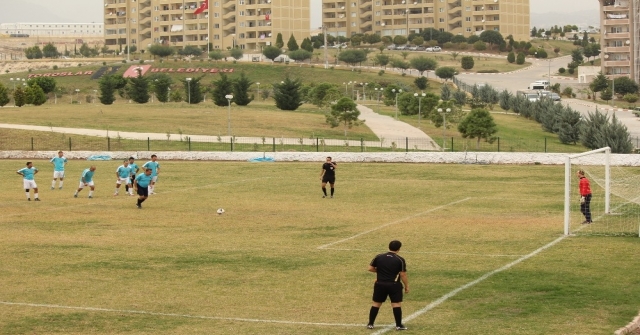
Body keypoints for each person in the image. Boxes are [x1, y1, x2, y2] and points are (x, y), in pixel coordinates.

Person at [367, 240, 409, 331]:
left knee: (376, 303)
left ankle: (370, 323)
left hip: (380, 283)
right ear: (399, 249)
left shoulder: (379, 257)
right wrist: (406, 286)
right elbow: (403, 275)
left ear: (389, 247)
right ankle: (398, 325)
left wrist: (381, 271)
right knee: (396, 304)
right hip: (394, 285)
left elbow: (370, 268)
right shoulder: (400, 260)